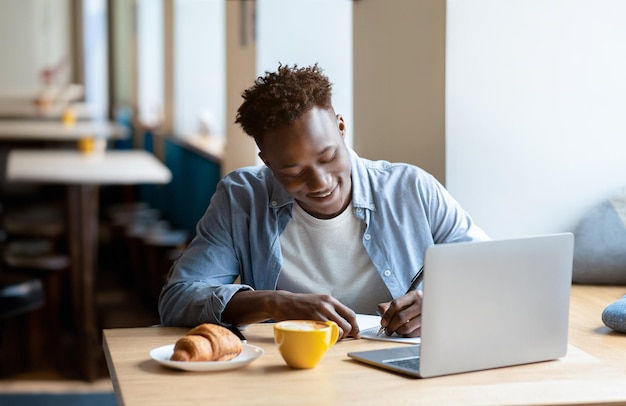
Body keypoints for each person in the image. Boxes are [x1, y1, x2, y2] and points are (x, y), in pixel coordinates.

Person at [158, 63, 489, 339]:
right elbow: (178, 298)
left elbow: (490, 274)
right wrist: (274, 303)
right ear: (268, 163)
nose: (320, 182)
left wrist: (437, 302)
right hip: (290, 373)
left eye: (328, 156)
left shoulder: (411, 189)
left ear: (341, 128)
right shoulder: (240, 198)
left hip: (398, 371)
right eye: (293, 170)